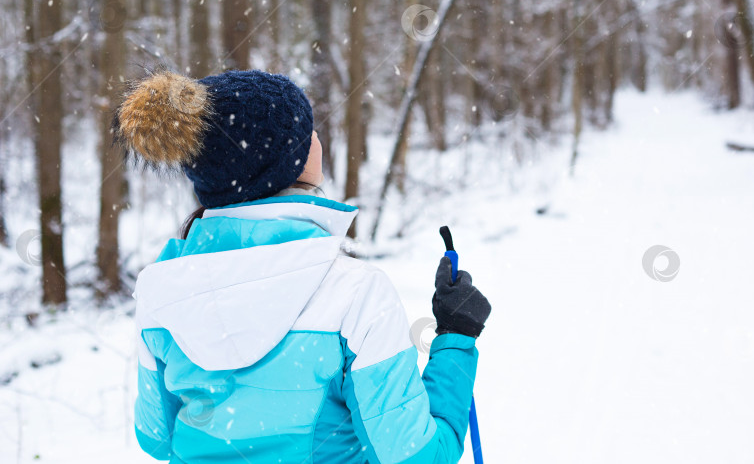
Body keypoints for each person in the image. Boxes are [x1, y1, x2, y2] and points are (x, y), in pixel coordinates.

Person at [116, 68, 492, 463]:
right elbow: (418, 457)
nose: (316, 139)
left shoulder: (160, 290)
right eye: (308, 131)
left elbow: (155, 437)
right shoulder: (355, 292)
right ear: (288, 161)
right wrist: (456, 337)